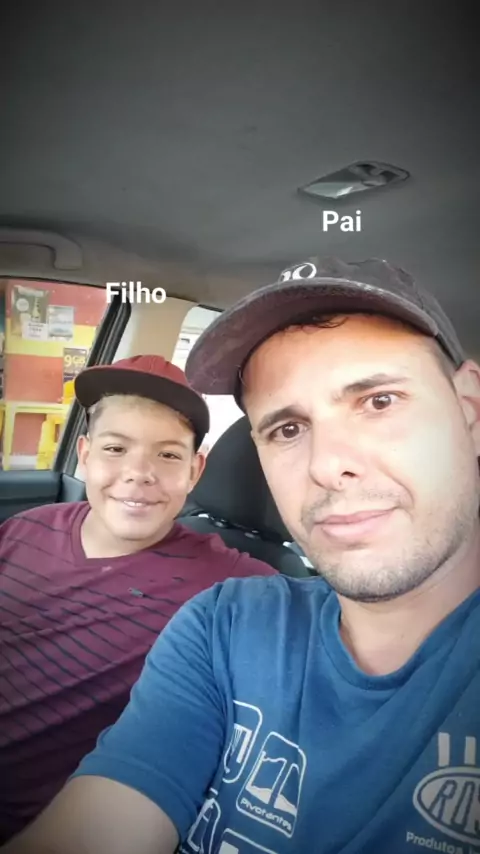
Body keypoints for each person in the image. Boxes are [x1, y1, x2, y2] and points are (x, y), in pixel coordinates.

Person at [2, 257, 480, 854]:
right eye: (287, 429)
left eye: (380, 401)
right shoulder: (224, 623)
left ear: (470, 409)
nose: (327, 464)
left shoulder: (216, 578)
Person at [0, 354, 277, 844]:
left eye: (168, 456)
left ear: (195, 470)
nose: (139, 473)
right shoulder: (25, 530)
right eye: (115, 448)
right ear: (84, 455)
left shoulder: (230, 586)